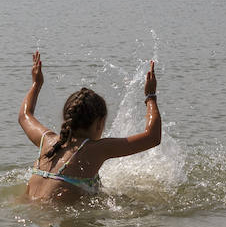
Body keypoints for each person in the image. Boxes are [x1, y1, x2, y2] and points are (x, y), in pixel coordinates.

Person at [18, 51, 162, 204]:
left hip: (29, 213)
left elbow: (24, 115)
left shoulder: (47, 141)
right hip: (61, 222)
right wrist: (150, 97)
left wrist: (36, 84)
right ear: (99, 122)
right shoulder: (96, 149)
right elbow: (153, 137)